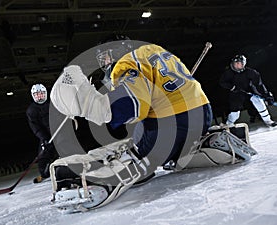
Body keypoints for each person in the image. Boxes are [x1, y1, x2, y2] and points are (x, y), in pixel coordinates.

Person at [48, 36, 256, 212]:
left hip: (169, 124)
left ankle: (97, 180)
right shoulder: (155, 51)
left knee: (133, 151)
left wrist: (87, 103)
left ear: (120, 50)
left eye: (107, 56)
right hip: (202, 112)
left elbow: (129, 107)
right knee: (152, 139)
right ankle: (205, 144)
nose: (105, 62)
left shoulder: (126, 64)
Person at [219, 54, 276, 127]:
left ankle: (268, 121)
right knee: (235, 113)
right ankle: (228, 124)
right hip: (236, 93)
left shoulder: (251, 72)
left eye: (239, 63)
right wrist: (232, 87)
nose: (236, 65)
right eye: (235, 63)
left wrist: (267, 96)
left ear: (243, 64)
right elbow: (222, 82)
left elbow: (259, 85)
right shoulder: (228, 73)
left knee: (258, 102)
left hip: (250, 91)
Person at [26, 83, 58, 183]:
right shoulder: (31, 110)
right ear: (33, 96)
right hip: (45, 135)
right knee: (43, 153)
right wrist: (44, 138)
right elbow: (35, 127)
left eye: (41, 94)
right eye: (37, 95)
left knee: (64, 149)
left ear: (45, 94)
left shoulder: (53, 103)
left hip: (58, 132)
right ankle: (44, 173)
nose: (39, 96)